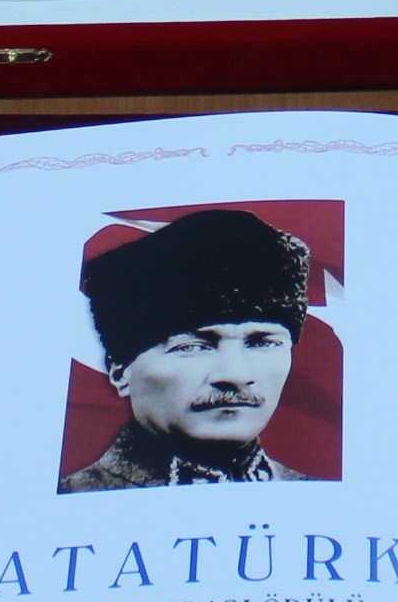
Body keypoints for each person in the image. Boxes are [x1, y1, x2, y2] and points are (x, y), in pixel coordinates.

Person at [60, 208, 315, 491]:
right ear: (120, 371)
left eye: (263, 343)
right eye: (192, 347)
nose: (235, 375)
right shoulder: (76, 497)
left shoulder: (317, 496)